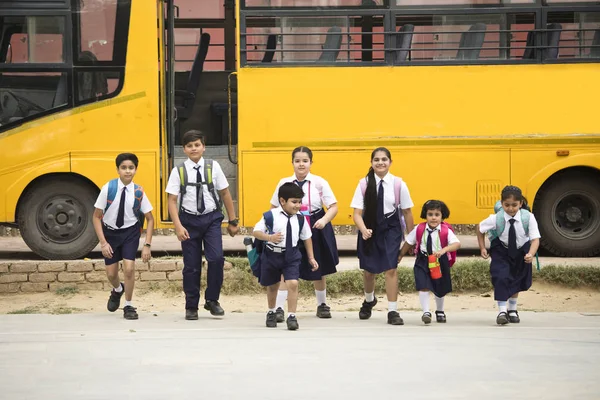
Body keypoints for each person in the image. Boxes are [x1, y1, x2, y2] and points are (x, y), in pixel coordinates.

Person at [166, 130, 239, 321]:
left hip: (212, 219)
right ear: (184, 149)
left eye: (197, 145)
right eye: (189, 146)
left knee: (216, 259)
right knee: (191, 265)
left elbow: (225, 193)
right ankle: (191, 306)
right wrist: (178, 226)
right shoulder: (178, 171)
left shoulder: (213, 166)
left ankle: (212, 300)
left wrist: (233, 221)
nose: (194, 149)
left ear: (203, 147)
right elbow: (172, 200)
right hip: (189, 221)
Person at [269, 146, 339, 321]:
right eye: (297, 161)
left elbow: (334, 206)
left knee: (318, 265)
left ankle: (321, 304)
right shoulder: (284, 183)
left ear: (311, 163)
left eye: (305, 161)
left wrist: (324, 220)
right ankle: (279, 308)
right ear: (292, 162)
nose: (301, 165)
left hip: (315, 226)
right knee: (286, 266)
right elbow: (274, 207)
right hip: (290, 226)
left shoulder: (319, 182)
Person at [350, 147, 414, 325]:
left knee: (391, 268)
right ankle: (369, 300)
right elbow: (357, 213)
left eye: (384, 159)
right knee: (369, 271)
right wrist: (363, 229)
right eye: (376, 159)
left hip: (390, 229)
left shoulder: (398, 184)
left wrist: (412, 238)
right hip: (369, 228)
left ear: (390, 162)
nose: (380, 162)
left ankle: (393, 311)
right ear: (371, 163)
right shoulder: (364, 184)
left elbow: (407, 212)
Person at [92, 153, 154, 320]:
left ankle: (128, 305)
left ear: (136, 170)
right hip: (110, 234)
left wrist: (147, 245)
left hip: (130, 233)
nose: (128, 171)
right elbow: (96, 216)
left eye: (131, 168)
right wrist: (103, 243)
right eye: (124, 168)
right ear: (118, 170)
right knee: (112, 274)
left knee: (129, 269)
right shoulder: (108, 188)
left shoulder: (138, 191)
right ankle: (118, 290)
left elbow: (150, 219)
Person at [253, 182, 319, 330]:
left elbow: (306, 237)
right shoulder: (271, 216)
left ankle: (291, 316)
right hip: (272, 254)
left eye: (300, 202)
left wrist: (311, 258)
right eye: (294, 202)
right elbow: (256, 232)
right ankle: (271, 311)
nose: (298, 205)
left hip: (292, 255)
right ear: (282, 201)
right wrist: (269, 238)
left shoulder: (300, 218)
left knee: (293, 283)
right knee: (272, 285)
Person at [476, 185, 540, 325]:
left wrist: (530, 253)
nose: (510, 208)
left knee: (516, 279)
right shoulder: (496, 218)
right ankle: (502, 312)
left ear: (520, 204)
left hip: (521, 251)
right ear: (501, 203)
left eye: (514, 205)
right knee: (501, 277)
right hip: (501, 251)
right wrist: (482, 248)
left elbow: (535, 239)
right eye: (507, 205)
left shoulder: (528, 217)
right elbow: (479, 228)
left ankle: (513, 309)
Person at [399, 200, 460, 324]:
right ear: (425, 215)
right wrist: (400, 254)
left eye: (437, 214)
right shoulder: (419, 229)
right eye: (430, 214)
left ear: (442, 216)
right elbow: (409, 242)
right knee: (423, 285)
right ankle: (426, 312)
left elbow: (456, 244)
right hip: (423, 259)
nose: (433, 218)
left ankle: (440, 311)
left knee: (440, 287)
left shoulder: (445, 230)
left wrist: (444, 250)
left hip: (439, 261)